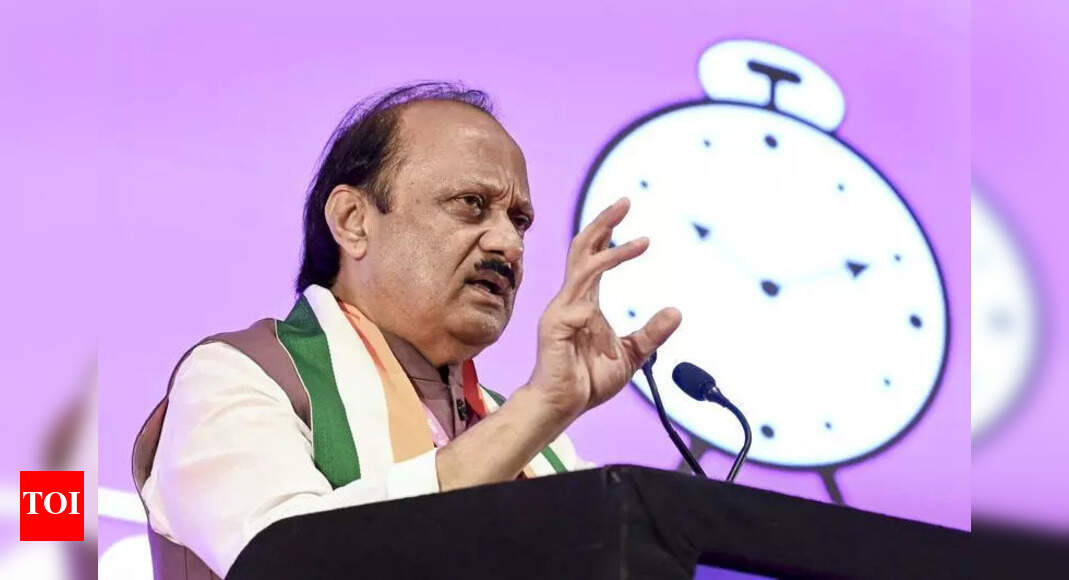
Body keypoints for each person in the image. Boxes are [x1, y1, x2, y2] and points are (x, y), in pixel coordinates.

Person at [131, 82, 681, 579]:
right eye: (471, 205)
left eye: (519, 221)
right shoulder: (238, 375)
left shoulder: (539, 446)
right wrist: (541, 406)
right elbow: (289, 561)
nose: (509, 244)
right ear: (353, 221)